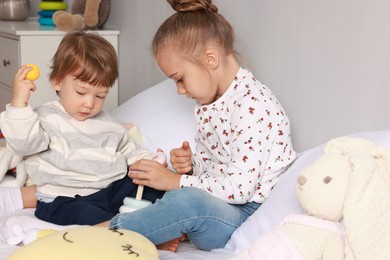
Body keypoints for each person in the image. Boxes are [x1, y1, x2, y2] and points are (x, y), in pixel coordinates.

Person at [1, 0, 297, 252]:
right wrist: (191, 166)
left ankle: (98, 234)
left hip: (240, 212)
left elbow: (239, 189)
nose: (180, 90)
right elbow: (219, 168)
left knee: (184, 200)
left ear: (210, 59)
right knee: (168, 191)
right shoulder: (212, 103)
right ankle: (148, 229)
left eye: (180, 78)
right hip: (213, 202)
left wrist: (176, 181)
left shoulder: (254, 105)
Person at [0, 31, 164, 226]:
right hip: (64, 199)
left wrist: (148, 162)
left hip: (108, 191)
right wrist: (20, 103)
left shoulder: (107, 123)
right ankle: (131, 229)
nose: (89, 103)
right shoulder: (45, 117)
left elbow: (128, 150)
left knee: (154, 188)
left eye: (100, 96)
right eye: (81, 92)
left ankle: (162, 220)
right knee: (84, 213)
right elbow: (24, 144)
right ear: (58, 82)